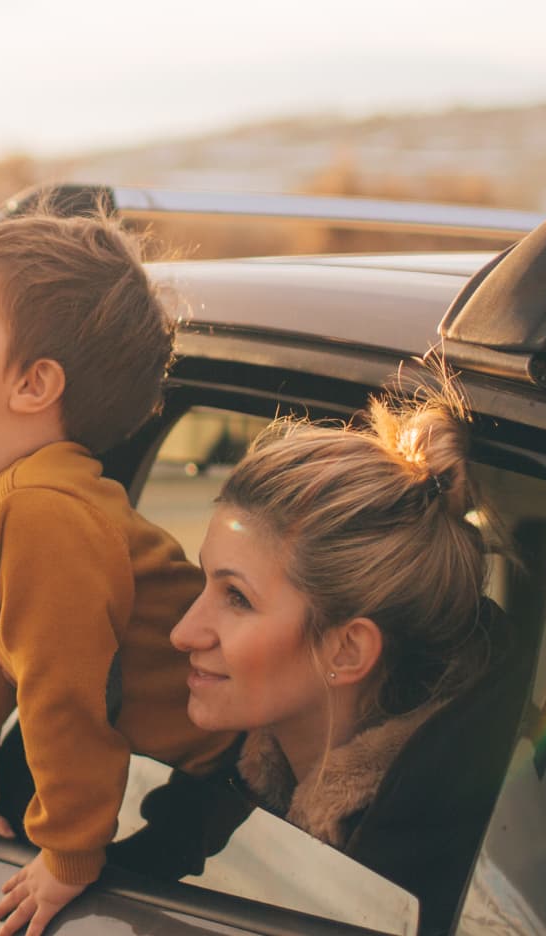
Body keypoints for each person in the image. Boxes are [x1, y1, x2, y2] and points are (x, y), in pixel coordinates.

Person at [0, 214, 236, 936]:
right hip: (162, 768)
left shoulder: (44, 514)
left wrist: (69, 853)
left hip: (230, 763)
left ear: (32, 385)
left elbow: (64, 695)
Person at [168, 384, 496, 925]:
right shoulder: (228, 773)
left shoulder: (416, 876)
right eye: (205, 580)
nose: (184, 633)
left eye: (236, 598)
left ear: (347, 650)